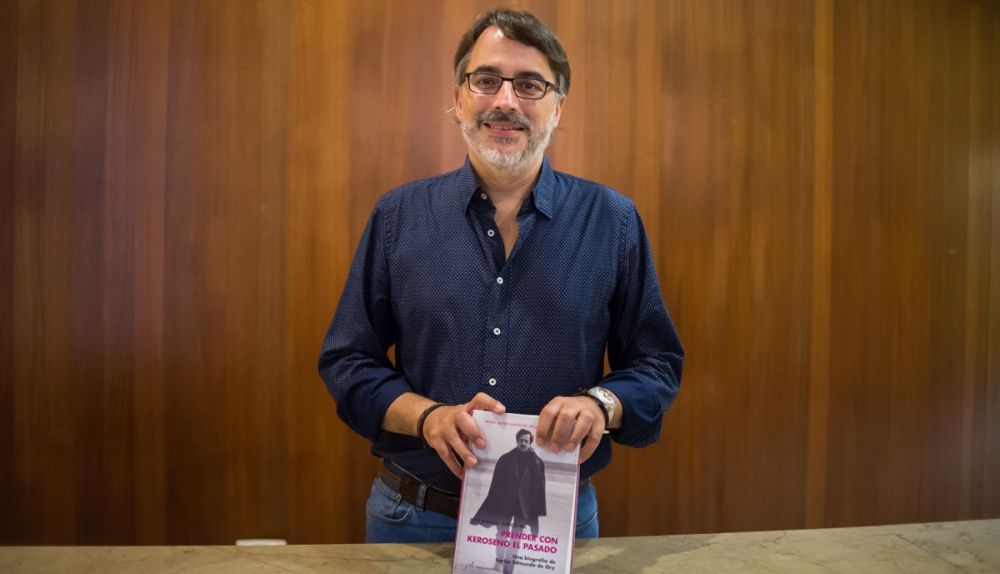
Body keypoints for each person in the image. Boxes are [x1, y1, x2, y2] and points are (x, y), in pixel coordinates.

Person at [318, 8, 683, 544]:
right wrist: (427, 418)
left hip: (552, 522)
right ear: (458, 98)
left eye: (530, 85)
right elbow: (348, 360)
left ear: (559, 107)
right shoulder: (398, 216)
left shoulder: (613, 220)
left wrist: (599, 406)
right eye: (486, 80)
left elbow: (657, 364)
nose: (506, 101)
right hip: (412, 518)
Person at [470, 429, 546, 573]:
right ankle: (499, 561)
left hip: (523, 507)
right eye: (521, 440)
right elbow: (496, 485)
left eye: (526, 441)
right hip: (504, 504)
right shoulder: (505, 459)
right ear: (517, 441)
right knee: (502, 533)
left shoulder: (537, 462)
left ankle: (508, 569)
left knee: (516, 537)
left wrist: (535, 510)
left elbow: (538, 488)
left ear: (530, 443)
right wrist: (492, 504)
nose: (523, 443)